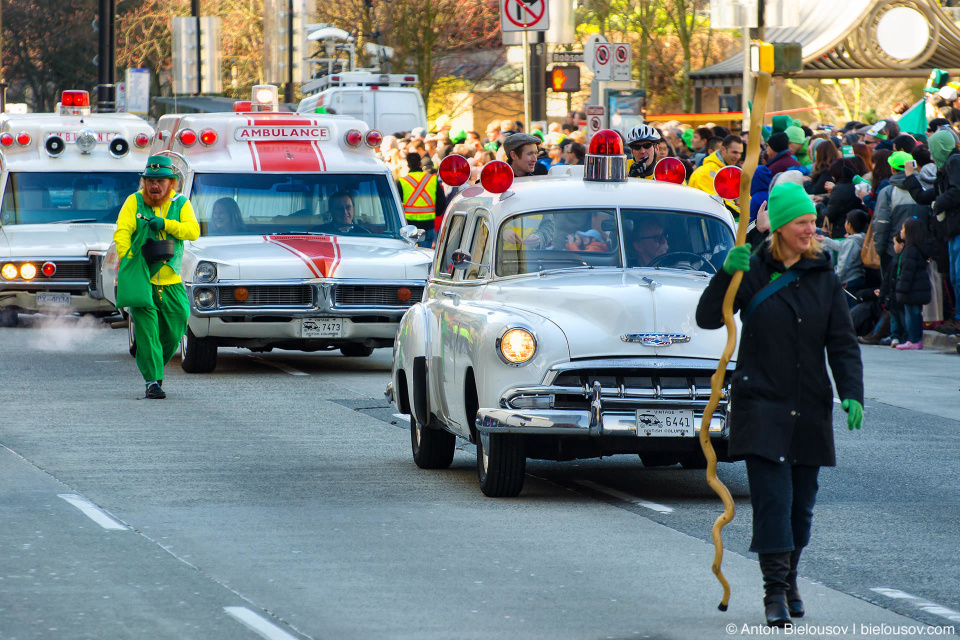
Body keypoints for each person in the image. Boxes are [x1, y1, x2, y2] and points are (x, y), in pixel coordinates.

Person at [696, 181, 863, 628]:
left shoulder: (824, 275)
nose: (813, 229)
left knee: (801, 507)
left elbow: (842, 342)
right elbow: (708, 317)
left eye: (814, 221)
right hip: (761, 404)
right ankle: (774, 593)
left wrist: (851, 391)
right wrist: (724, 276)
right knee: (773, 502)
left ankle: (790, 580)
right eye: (804, 222)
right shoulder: (751, 267)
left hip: (809, 407)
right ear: (784, 227)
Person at [113, 155, 200, 399]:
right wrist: (127, 257)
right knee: (147, 332)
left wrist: (166, 224)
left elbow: (193, 231)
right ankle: (152, 380)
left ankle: (155, 366)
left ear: (172, 183)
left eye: (161, 181)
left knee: (176, 328)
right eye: (150, 180)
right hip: (143, 278)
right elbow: (122, 231)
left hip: (171, 281)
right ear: (143, 182)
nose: (155, 186)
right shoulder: (134, 201)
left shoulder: (181, 203)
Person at [901, 129, 960, 333]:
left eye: (931, 147)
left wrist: (938, 204)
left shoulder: (954, 162)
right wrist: (910, 177)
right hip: (952, 229)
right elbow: (923, 197)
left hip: (956, 227)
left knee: (958, 274)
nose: (930, 154)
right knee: (954, 274)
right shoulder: (945, 169)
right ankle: (957, 317)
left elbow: (956, 192)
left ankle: (959, 317)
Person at [894, 217, 934, 350]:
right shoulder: (920, 249)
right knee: (916, 313)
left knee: (911, 314)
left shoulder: (910, 250)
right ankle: (915, 339)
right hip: (919, 287)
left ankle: (913, 339)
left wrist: (901, 288)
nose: (901, 231)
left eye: (903, 229)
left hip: (912, 288)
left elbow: (907, 272)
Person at [816, 210, 868, 308]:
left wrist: (836, 279)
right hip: (857, 277)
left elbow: (844, 264)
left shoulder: (851, 242)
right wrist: (825, 240)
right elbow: (840, 246)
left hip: (850, 279)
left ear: (849, 225)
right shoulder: (859, 238)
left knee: (849, 306)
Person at [398, 152, 446, 247]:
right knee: (425, 255)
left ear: (408, 165)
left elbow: (396, 205)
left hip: (409, 226)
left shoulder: (402, 182)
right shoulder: (432, 180)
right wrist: (433, 213)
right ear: (420, 164)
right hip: (428, 225)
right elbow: (442, 203)